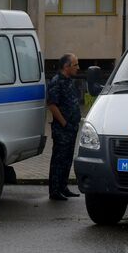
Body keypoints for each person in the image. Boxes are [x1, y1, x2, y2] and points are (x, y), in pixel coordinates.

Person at [46, 53, 82, 201]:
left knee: (67, 159)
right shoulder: (57, 81)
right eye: (75, 65)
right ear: (66, 67)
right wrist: (64, 123)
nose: (78, 68)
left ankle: (63, 187)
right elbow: (52, 105)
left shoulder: (69, 81)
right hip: (62, 129)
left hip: (72, 128)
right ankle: (54, 190)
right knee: (58, 160)